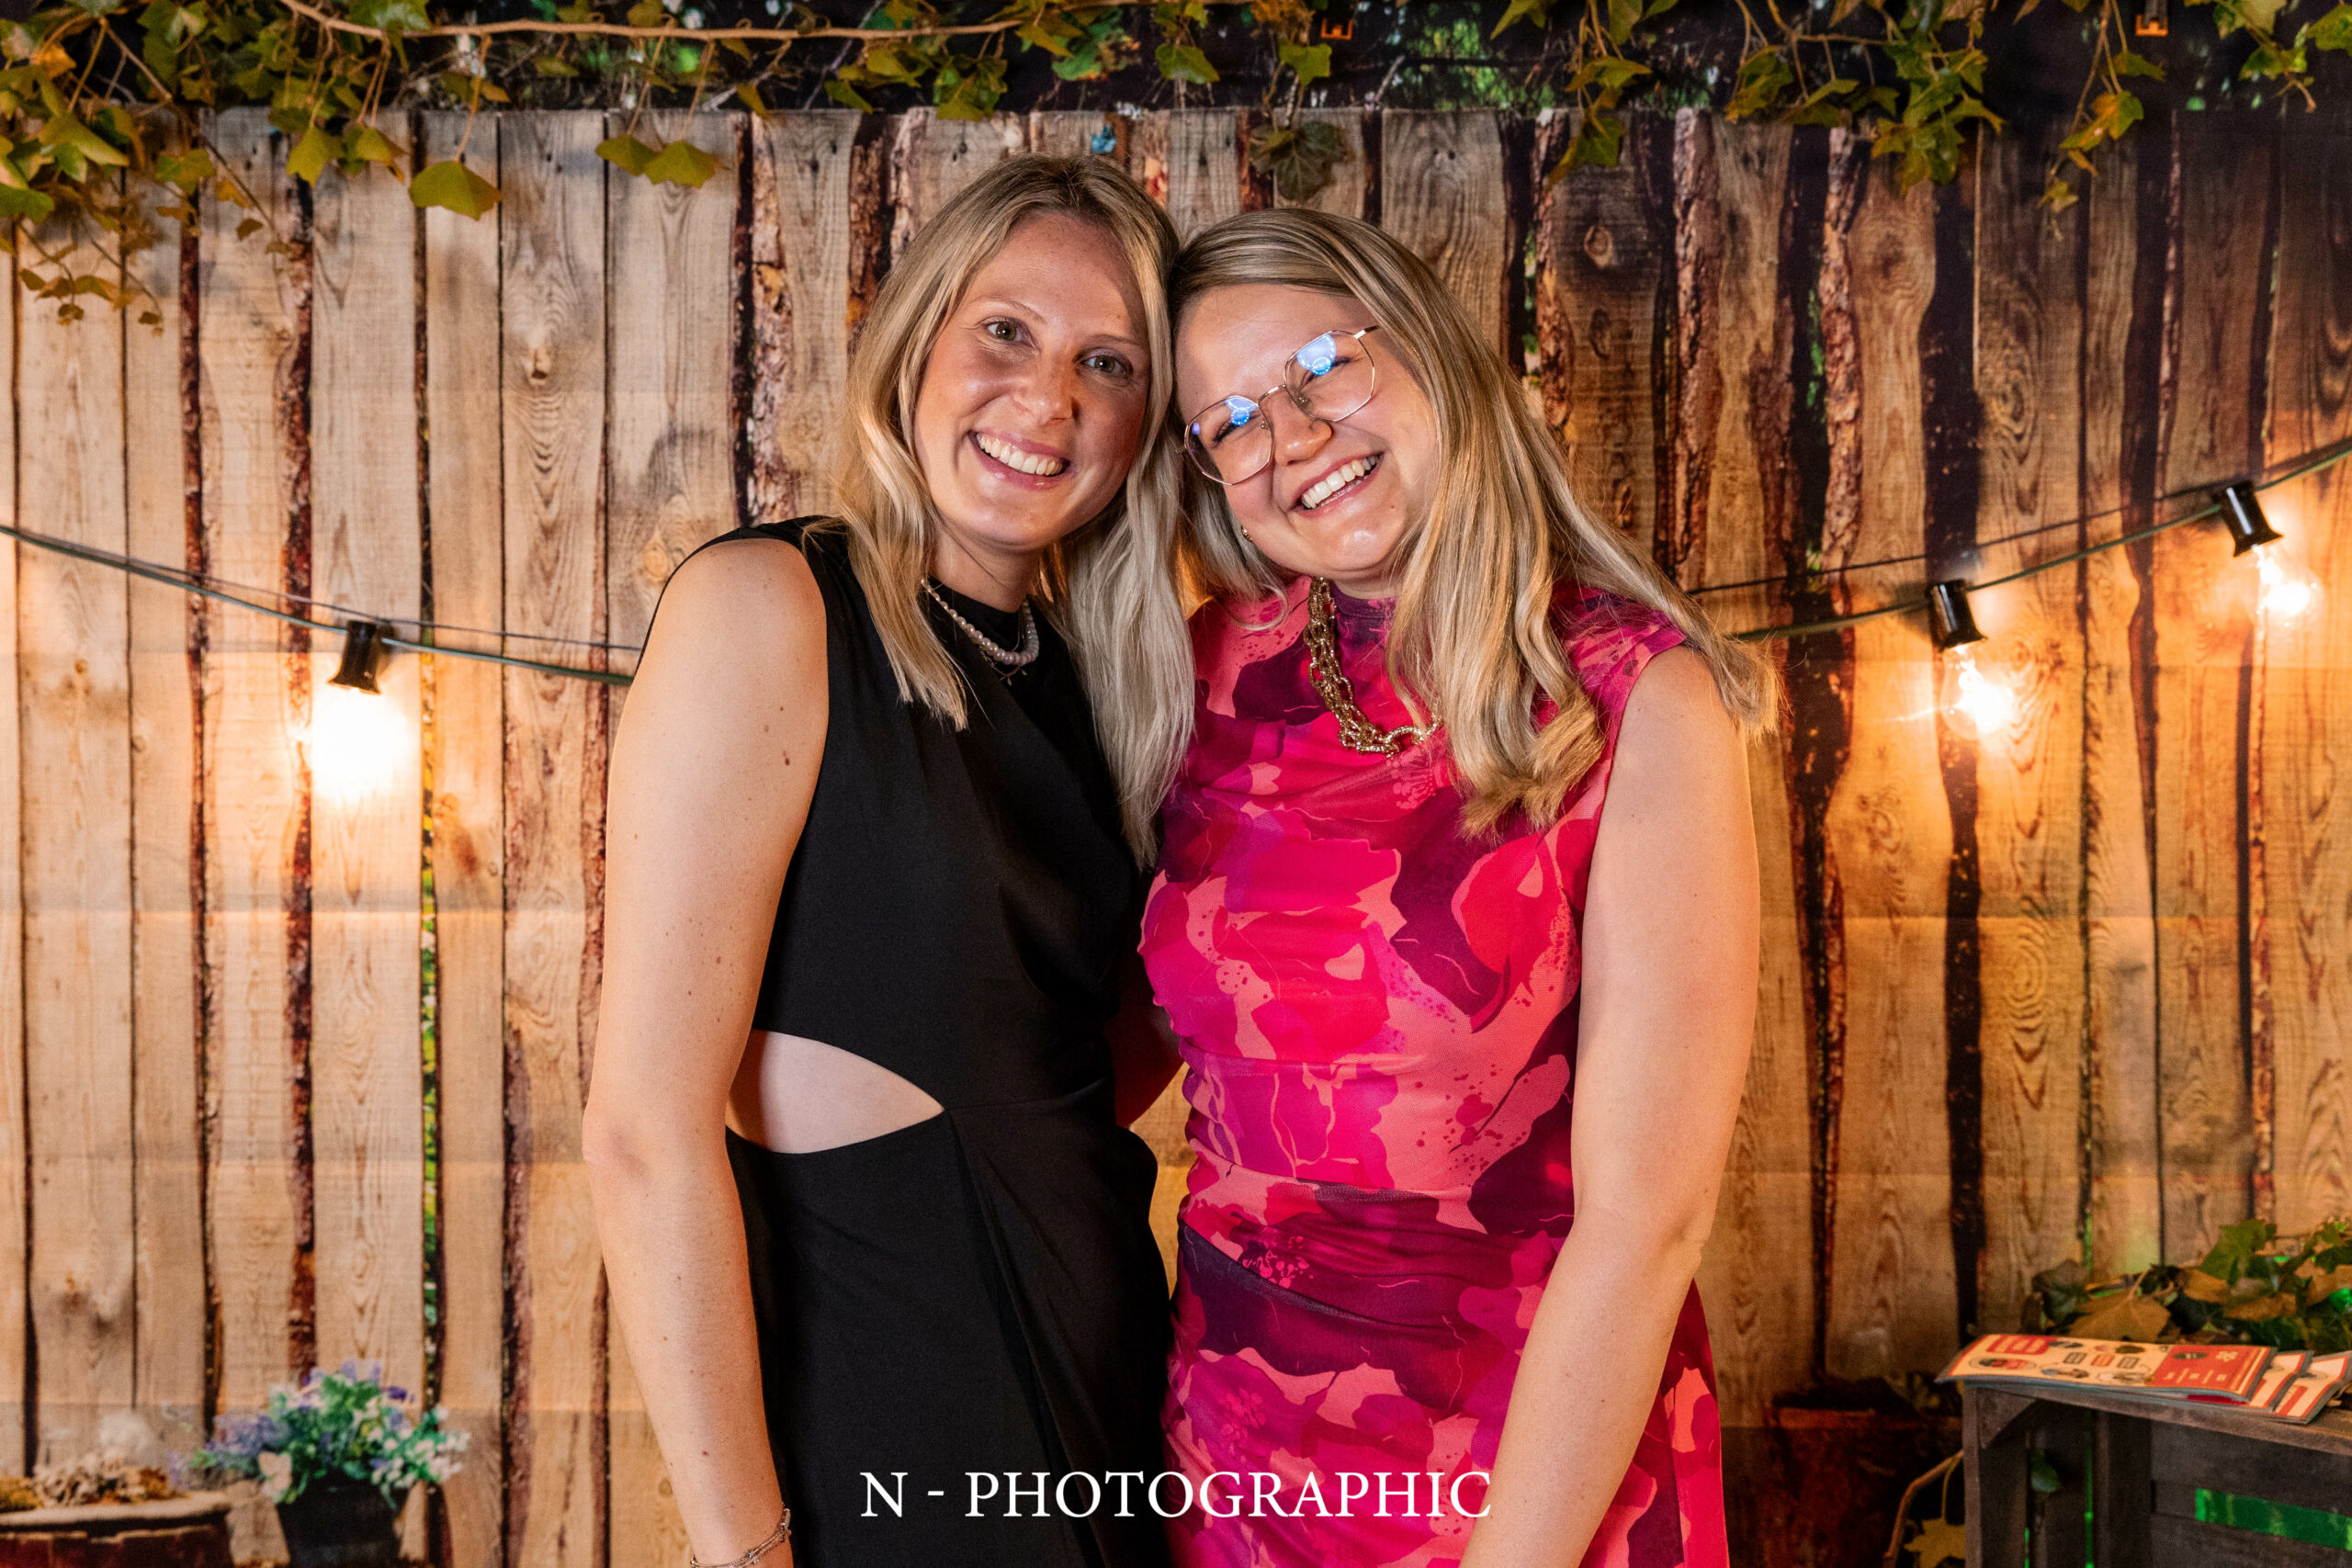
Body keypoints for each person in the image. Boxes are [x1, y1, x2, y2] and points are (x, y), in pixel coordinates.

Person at [1134, 209, 1775, 1568]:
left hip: (1526, 1476)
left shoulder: (1635, 699)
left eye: (1323, 364)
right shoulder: (1198, 679)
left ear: (1430, 348)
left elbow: (1645, 1225)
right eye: (1230, 421)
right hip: (1228, 1464)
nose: (1292, 435)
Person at [584, 155, 1193, 1568]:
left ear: (1147, 420)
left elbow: (1084, 1056)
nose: (1049, 399)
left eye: (1108, 362)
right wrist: (746, 1550)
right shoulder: (770, 606)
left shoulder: (1102, 683)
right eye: (1007, 331)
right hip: (895, 1391)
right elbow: (641, 1132)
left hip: (1111, 1374)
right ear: (918, 337)